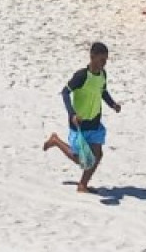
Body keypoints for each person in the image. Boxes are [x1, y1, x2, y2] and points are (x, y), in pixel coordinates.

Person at [42, 42, 122, 194]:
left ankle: (82, 185)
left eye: (106, 60)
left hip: (95, 122)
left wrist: (113, 104)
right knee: (82, 159)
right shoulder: (81, 76)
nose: (104, 64)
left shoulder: (103, 75)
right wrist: (72, 114)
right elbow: (65, 92)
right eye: (101, 60)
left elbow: (103, 92)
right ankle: (56, 141)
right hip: (79, 124)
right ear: (92, 57)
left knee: (97, 155)